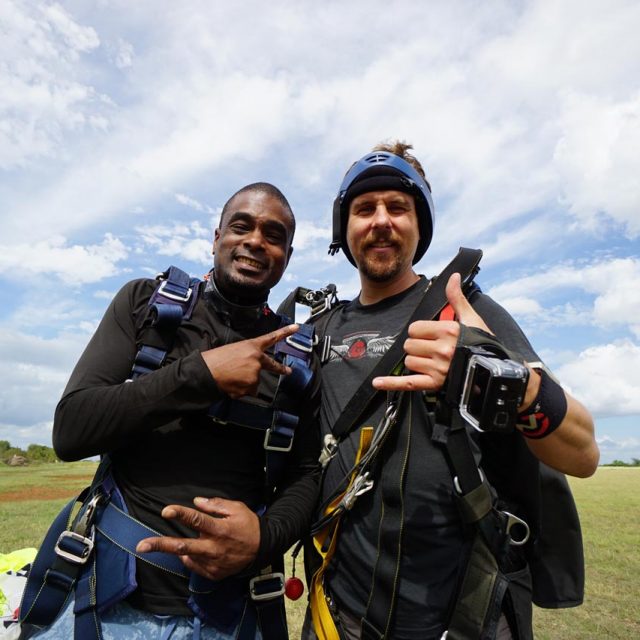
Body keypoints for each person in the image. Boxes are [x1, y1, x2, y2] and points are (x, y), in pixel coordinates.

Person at [300, 142, 598, 640]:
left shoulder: (466, 312)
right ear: (342, 227)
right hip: (340, 614)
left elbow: (584, 451)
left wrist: (497, 377)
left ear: (421, 226)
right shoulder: (322, 330)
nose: (381, 220)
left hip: (464, 617)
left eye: (398, 207)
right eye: (364, 208)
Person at [22, 183, 321, 640]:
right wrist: (199, 375)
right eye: (241, 226)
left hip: (232, 613)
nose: (255, 241)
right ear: (216, 236)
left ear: (287, 254)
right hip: (111, 604)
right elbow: (71, 430)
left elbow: (305, 472)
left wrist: (266, 536)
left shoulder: (298, 356)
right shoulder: (145, 305)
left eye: (273, 235)